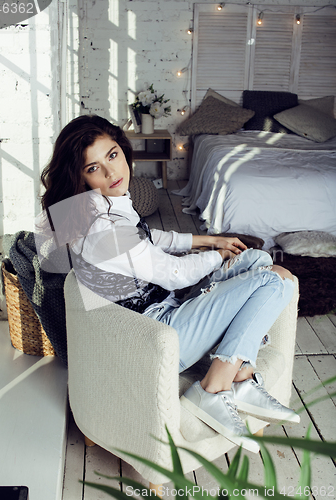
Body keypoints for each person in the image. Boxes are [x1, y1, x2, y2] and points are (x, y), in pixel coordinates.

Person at [38, 114, 299, 453]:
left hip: (169, 310)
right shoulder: (101, 229)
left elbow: (148, 238)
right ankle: (214, 388)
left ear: (122, 149)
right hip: (156, 334)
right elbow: (175, 274)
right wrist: (217, 255)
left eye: (113, 155)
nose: (111, 172)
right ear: (80, 176)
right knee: (275, 282)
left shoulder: (101, 206)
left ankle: (242, 372)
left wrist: (207, 240)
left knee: (259, 261)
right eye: (93, 168)